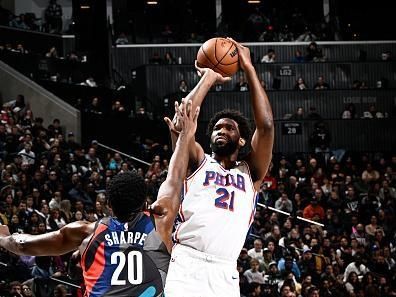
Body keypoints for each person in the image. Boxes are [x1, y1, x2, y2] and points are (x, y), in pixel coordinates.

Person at [0, 101, 199, 297]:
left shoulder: (85, 232)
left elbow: (24, 245)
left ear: (109, 205)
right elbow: (175, 176)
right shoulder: (160, 223)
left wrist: (3, 238)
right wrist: (184, 135)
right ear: (146, 203)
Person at [163, 37, 274, 296]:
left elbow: (266, 126)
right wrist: (209, 78)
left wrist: (249, 69)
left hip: (225, 271)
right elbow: (182, 122)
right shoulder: (198, 161)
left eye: (228, 127)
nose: (220, 130)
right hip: (187, 262)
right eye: (216, 127)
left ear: (242, 139)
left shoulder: (251, 173)